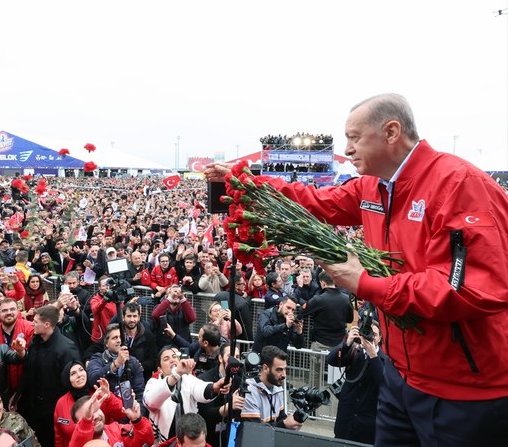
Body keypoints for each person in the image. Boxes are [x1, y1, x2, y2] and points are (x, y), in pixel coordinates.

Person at [206, 93, 508, 444]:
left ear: (392, 132)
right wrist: (251, 184)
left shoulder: (460, 185)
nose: (347, 148)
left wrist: (366, 284)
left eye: (354, 137)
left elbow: (469, 288)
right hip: (401, 377)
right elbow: (317, 202)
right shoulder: (374, 186)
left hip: (465, 392)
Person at [18, 305, 81, 447]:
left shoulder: (66, 348)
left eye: (35, 321)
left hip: (55, 411)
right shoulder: (36, 342)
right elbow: (29, 369)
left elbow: (76, 383)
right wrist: (18, 394)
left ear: (46, 325)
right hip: (35, 408)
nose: (32, 324)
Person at [143, 346, 228, 443]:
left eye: (174, 357)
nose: (171, 360)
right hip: (165, 442)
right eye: (166, 359)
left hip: (189, 438)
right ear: (160, 369)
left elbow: (199, 387)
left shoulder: (187, 378)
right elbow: (151, 401)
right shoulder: (153, 383)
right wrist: (175, 375)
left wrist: (214, 387)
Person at [326, 321, 385, 444]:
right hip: (346, 420)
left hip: (368, 425)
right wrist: (347, 343)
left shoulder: (385, 359)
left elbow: (384, 383)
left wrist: (373, 356)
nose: (370, 337)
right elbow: (330, 359)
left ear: (380, 338)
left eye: (374, 334)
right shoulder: (353, 352)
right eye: (367, 333)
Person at [303, 272, 354, 386]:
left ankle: (314, 395)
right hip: (339, 343)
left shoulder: (318, 299)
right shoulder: (346, 299)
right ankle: (338, 392)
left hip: (320, 342)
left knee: (316, 372)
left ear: (322, 283)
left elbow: (303, 311)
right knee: (339, 372)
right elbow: (350, 320)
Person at [68, 384, 153, 447]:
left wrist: (137, 421)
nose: (96, 416)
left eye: (96, 409)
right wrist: (86, 422)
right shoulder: (78, 444)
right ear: (78, 426)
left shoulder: (119, 430)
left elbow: (146, 443)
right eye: (88, 415)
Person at [241, 345, 302, 430]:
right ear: (265, 368)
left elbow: (281, 418)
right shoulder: (249, 391)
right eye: (279, 370)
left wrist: (292, 423)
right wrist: (284, 424)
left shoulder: (277, 388)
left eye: (285, 369)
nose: (284, 375)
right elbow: (254, 429)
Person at [86, 323, 145, 409]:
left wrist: (136, 418)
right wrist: (115, 364)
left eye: (121, 337)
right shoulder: (97, 358)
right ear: (106, 343)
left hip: (127, 412)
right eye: (114, 338)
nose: (119, 340)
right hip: (104, 411)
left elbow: (140, 394)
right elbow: (93, 380)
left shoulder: (133, 362)